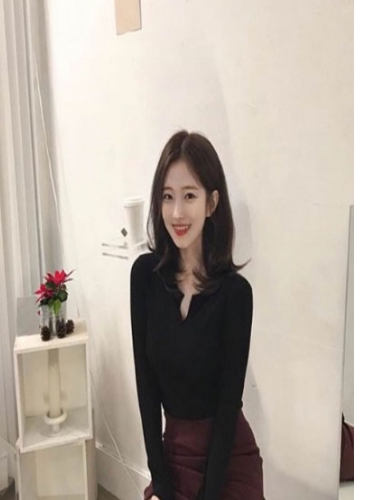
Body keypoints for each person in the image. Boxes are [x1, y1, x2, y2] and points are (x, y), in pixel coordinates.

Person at [130, 130, 264, 500]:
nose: (177, 212)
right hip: (172, 456)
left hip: (227, 459)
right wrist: (161, 485)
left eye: (189, 195)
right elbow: (146, 389)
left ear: (211, 202)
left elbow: (228, 405)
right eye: (167, 196)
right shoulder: (144, 277)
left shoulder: (236, 295)